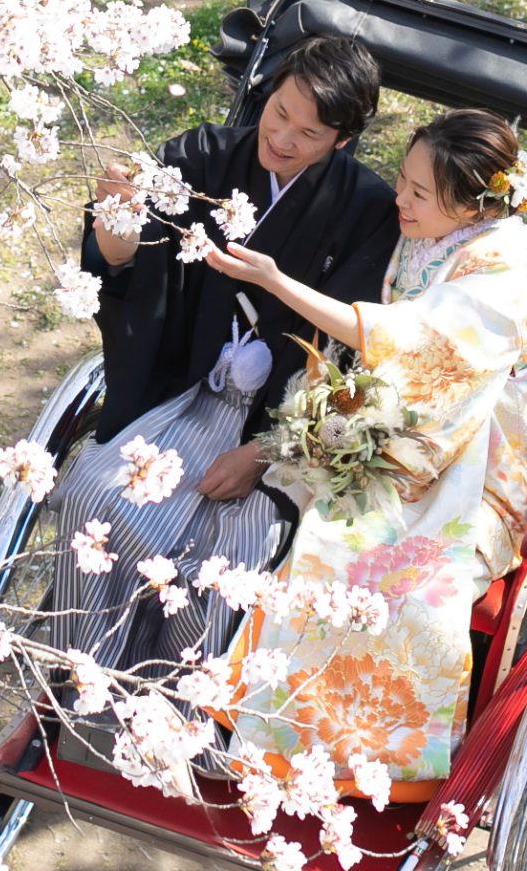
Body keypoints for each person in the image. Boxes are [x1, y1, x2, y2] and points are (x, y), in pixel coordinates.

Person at [203, 108, 527, 801]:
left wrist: (277, 281)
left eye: (419, 193)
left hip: (473, 465)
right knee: (314, 535)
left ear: (473, 206)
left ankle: (358, 766)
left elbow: (406, 342)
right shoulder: (431, 239)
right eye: (402, 179)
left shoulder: (504, 279)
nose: (399, 199)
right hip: (413, 432)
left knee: (373, 574)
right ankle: (269, 734)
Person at [37, 36, 401, 680]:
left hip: (279, 423)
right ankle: (78, 673)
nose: (282, 138)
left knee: (228, 563)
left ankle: (173, 701)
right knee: (96, 498)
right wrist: (116, 227)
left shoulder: (368, 210)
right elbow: (121, 268)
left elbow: (351, 352)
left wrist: (264, 452)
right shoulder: (200, 158)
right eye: (279, 112)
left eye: (309, 133)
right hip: (175, 389)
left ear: (342, 140)